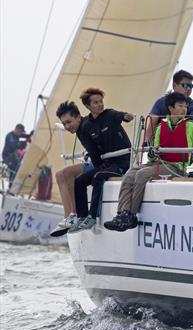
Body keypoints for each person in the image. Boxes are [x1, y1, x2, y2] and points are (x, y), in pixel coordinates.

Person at [104, 92, 193, 232]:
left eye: (185, 106)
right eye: (180, 106)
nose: (184, 109)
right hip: (159, 164)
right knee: (129, 174)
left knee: (142, 174)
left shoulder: (191, 126)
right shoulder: (160, 127)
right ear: (171, 108)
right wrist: (151, 153)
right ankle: (122, 213)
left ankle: (131, 215)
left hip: (176, 167)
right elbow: (153, 156)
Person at [69, 88, 134, 232]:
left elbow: (122, 115)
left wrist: (127, 116)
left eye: (101, 101)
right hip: (107, 164)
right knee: (79, 181)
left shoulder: (110, 114)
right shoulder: (86, 125)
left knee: (98, 177)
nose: (100, 105)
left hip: (123, 162)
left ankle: (93, 217)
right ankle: (82, 217)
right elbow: (93, 151)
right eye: (96, 102)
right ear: (87, 106)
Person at [51, 102, 93, 233]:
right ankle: (67, 216)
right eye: (64, 124)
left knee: (66, 173)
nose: (67, 126)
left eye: (69, 122)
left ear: (78, 117)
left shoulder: (86, 126)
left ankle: (73, 215)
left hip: (100, 164)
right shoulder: (80, 129)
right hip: (92, 162)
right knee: (59, 175)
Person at [146, 69, 193, 142]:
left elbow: (190, 128)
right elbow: (151, 127)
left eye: (191, 86)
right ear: (174, 85)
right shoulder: (160, 102)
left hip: (184, 147)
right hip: (160, 147)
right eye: (185, 85)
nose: (189, 89)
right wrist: (152, 147)